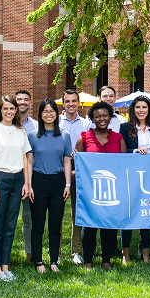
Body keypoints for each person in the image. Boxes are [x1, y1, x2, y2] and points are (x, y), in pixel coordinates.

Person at [0, 95, 33, 281]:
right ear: (0, 110)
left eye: (12, 108)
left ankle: (5, 266)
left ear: (16, 110)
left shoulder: (20, 131)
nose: (9, 112)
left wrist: (26, 183)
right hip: (0, 178)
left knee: (10, 225)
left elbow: (25, 158)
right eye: (5, 108)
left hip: (17, 179)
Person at [76, 101, 127, 270]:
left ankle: (106, 260)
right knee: (90, 226)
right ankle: (88, 261)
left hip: (112, 189)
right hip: (90, 190)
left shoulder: (118, 138)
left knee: (109, 225)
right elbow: (78, 163)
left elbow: (124, 163)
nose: (102, 119)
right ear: (92, 118)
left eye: (105, 115)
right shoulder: (84, 138)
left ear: (110, 117)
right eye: (97, 116)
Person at [28, 99, 74, 273]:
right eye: (45, 111)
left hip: (58, 181)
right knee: (37, 224)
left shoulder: (65, 136)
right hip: (38, 181)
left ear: (57, 113)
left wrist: (67, 184)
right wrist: (29, 185)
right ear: (40, 114)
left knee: (55, 224)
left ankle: (54, 260)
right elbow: (29, 162)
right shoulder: (32, 136)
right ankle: (38, 261)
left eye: (52, 111)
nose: (48, 114)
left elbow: (67, 160)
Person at [119, 96, 150, 264]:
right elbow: (121, 151)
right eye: (138, 107)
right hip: (131, 175)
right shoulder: (125, 128)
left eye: (144, 107)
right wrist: (135, 151)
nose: (141, 110)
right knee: (129, 212)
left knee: (147, 212)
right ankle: (125, 253)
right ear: (133, 110)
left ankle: (146, 253)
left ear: (149, 109)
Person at [59, 88, 90, 265]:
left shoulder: (86, 124)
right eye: (67, 101)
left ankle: (76, 251)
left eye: (74, 101)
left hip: (79, 171)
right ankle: (56, 252)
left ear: (78, 103)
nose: (71, 104)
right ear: (63, 104)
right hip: (59, 171)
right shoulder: (56, 122)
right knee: (57, 213)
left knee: (77, 213)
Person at [15, 89, 38, 263]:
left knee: (28, 216)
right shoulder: (7, 124)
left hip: (31, 176)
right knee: (8, 216)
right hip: (11, 174)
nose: (22, 102)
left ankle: (29, 252)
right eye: (19, 99)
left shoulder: (36, 126)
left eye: (25, 99)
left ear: (30, 102)